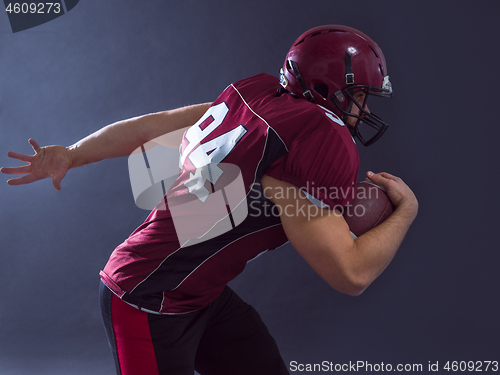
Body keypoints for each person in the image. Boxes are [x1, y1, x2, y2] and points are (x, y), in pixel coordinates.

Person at [1, 25, 418, 375]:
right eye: (359, 94)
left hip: (198, 291)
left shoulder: (258, 95)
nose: (363, 107)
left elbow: (153, 126)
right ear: (329, 88)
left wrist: (74, 153)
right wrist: (407, 211)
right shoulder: (314, 139)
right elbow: (351, 274)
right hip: (145, 297)